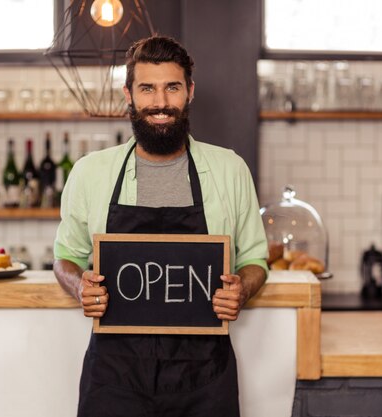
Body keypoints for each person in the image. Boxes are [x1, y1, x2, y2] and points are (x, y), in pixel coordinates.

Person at [54, 35, 268, 417]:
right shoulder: (91, 172)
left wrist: (243, 288)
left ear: (190, 91)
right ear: (129, 94)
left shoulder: (230, 169)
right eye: (147, 88)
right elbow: (66, 256)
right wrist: (77, 285)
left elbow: (254, 258)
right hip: (114, 377)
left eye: (172, 87)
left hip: (205, 378)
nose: (160, 103)